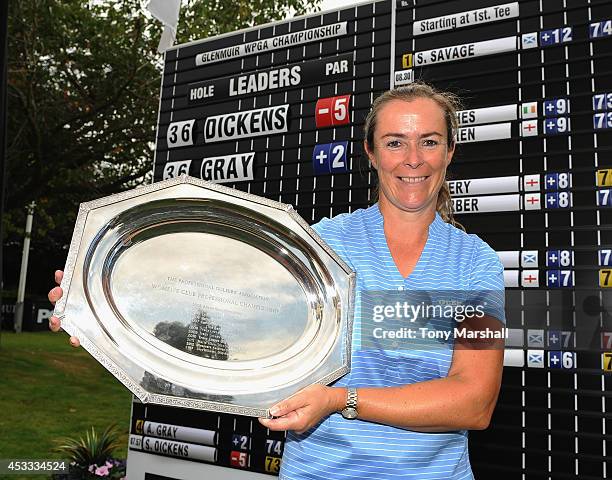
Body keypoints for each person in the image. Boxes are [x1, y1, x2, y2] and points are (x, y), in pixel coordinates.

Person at [49, 82, 505, 479]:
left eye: (428, 141)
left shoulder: (475, 265)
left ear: (449, 151)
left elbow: (473, 401)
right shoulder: (321, 248)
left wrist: (339, 400)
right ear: (370, 152)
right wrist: (104, 312)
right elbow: (230, 322)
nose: (412, 160)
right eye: (394, 142)